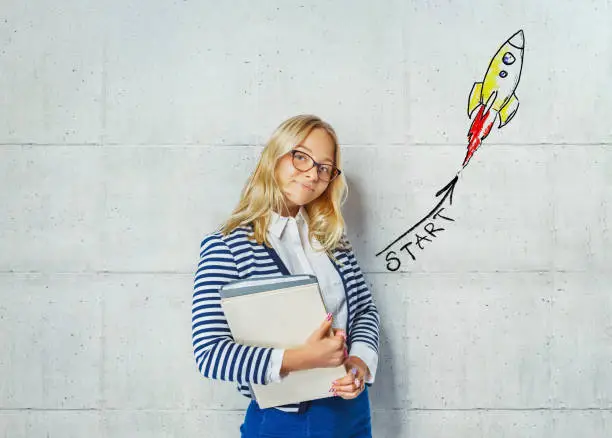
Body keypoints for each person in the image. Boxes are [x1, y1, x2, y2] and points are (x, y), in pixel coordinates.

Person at [191, 114, 380, 437]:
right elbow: (210, 353)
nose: (312, 174)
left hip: (351, 413)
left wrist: (359, 364)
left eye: (324, 167)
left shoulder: (332, 239)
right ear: (276, 155)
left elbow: (364, 311)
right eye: (301, 157)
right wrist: (298, 358)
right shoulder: (228, 246)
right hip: (286, 420)